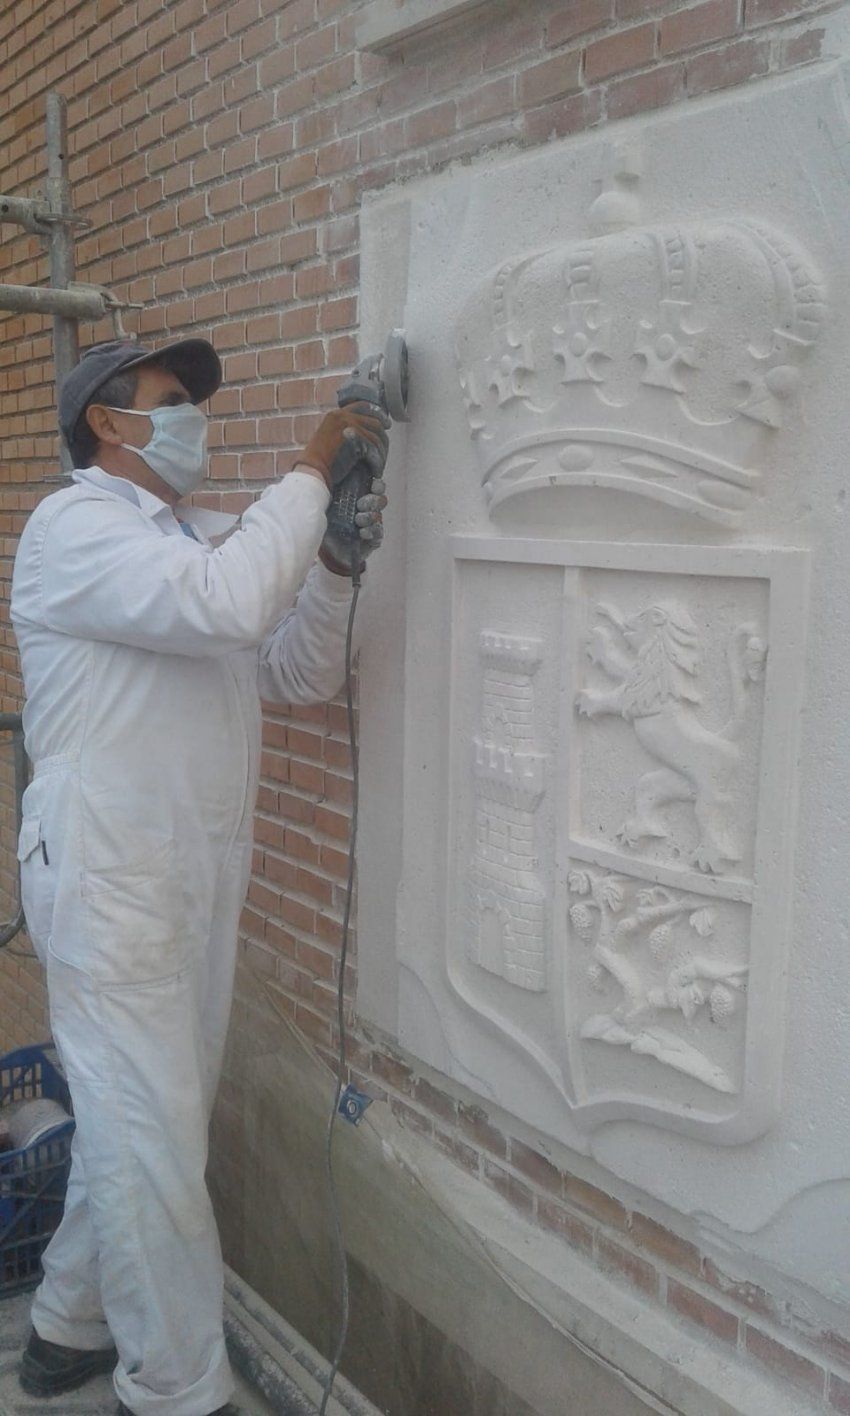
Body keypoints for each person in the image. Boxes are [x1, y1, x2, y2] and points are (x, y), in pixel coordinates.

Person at [9, 337, 390, 1416]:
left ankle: (63, 1330)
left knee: (147, 1119)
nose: (192, 421)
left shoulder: (191, 540)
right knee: (153, 1129)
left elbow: (297, 669)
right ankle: (175, 1386)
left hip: (185, 871)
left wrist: (327, 566)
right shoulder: (77, 524)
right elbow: (225, 606)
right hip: (109, 869)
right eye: (172, 402)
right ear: (109, 425)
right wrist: (313, 466)